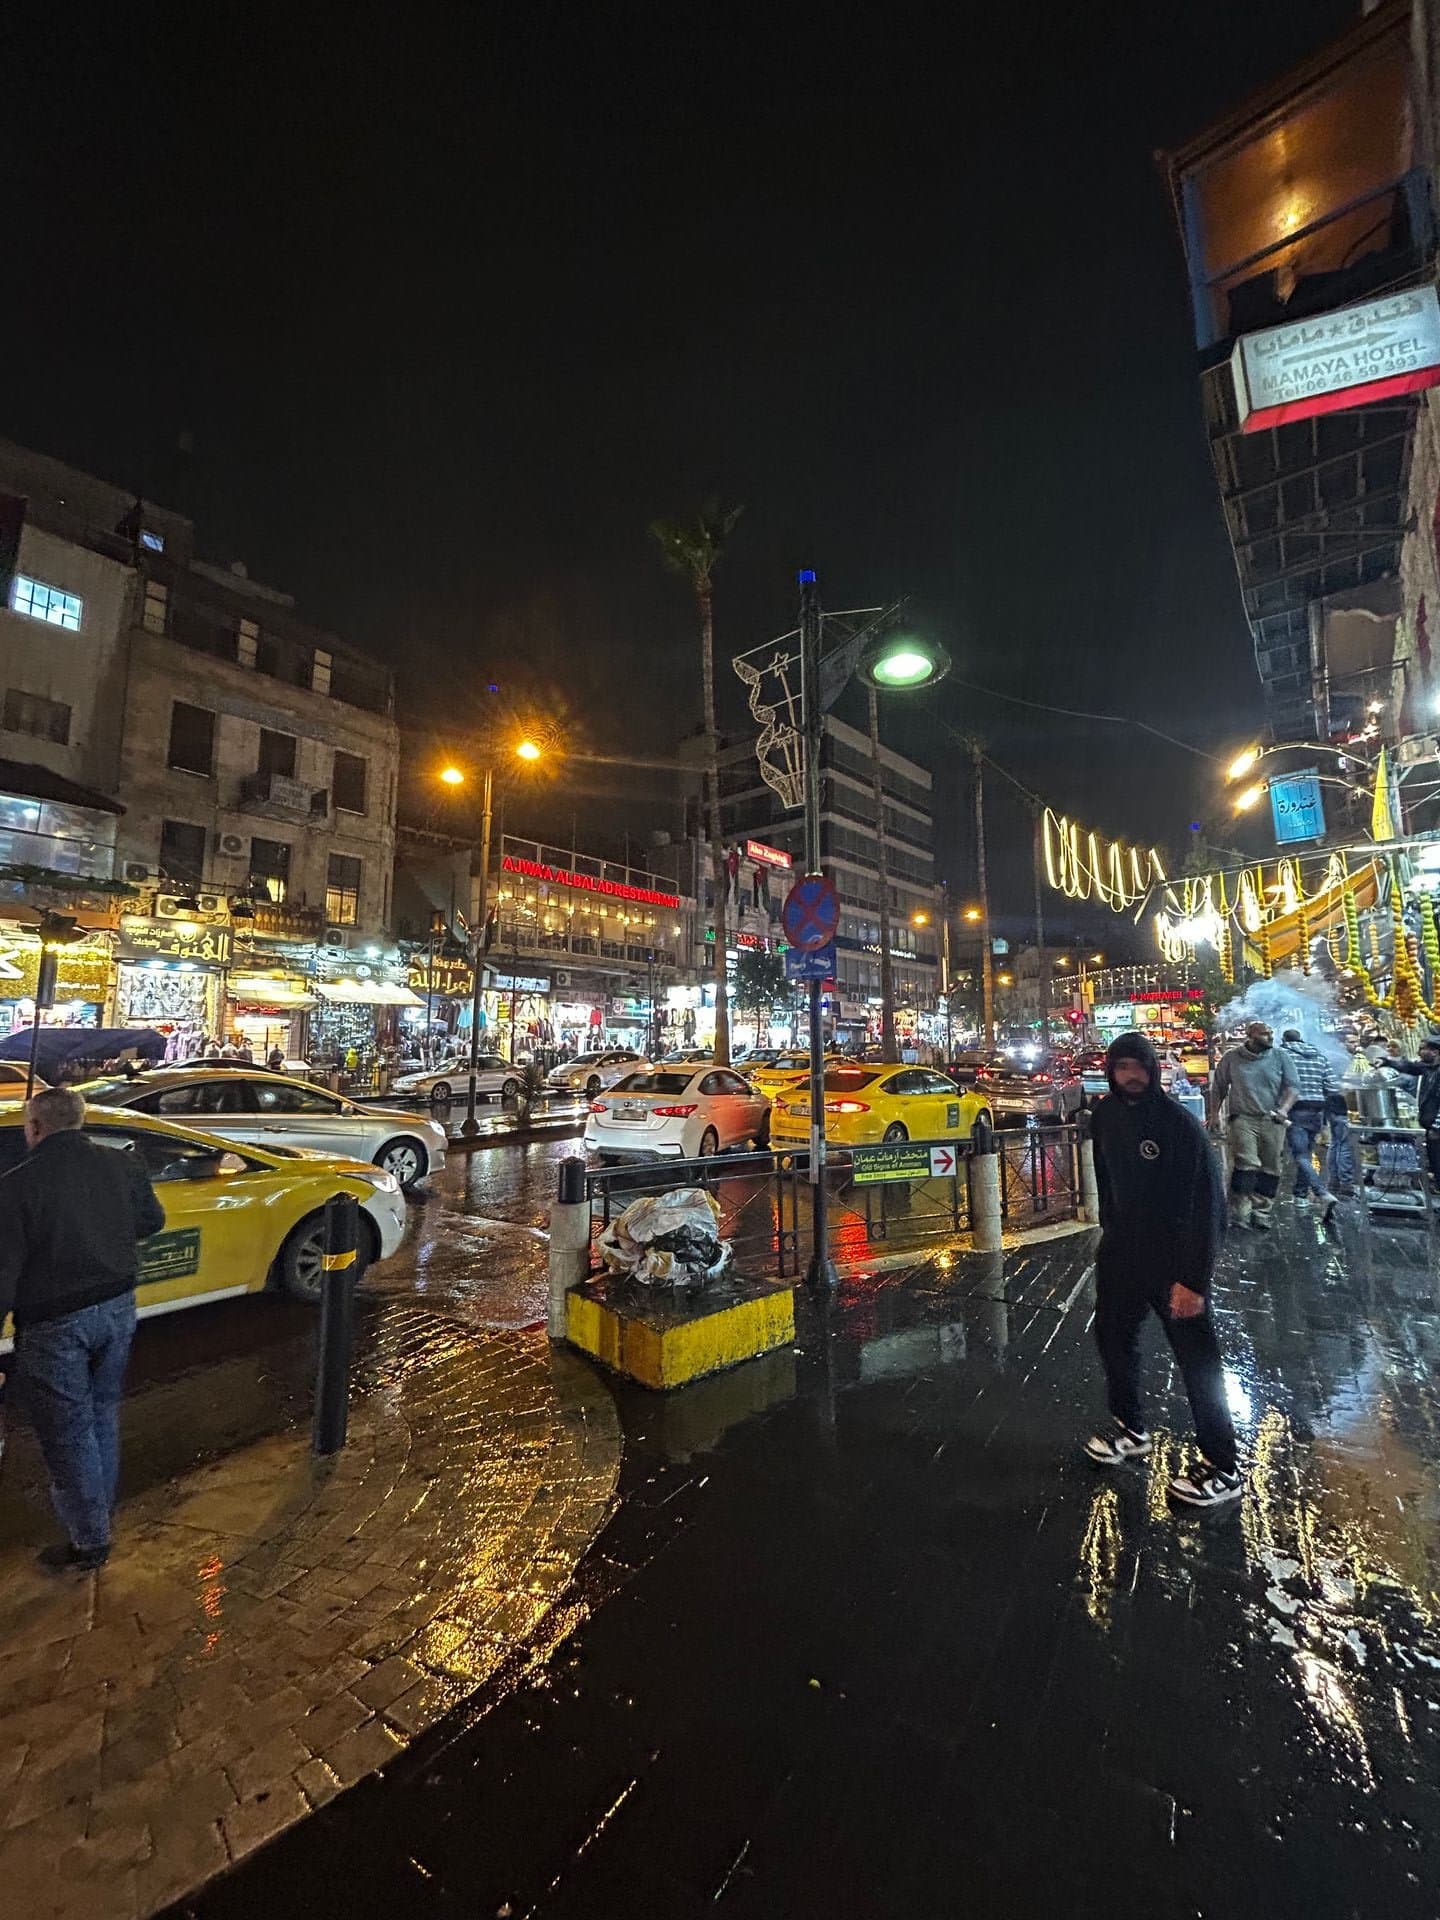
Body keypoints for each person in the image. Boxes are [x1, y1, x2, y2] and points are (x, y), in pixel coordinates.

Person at [0, 1088, 165, 1571]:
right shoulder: (122, 1165)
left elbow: (4, 1273)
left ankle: (90, 1540)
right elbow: (152, 1221)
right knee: (101, 1413)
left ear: (34, 1128)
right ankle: (98, 1512)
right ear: (81, 1121)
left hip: (54, 1323)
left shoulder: (15, 1186)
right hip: (117, 1307)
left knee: (68, 1430)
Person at [1085, 1032, 1241, 1507]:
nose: (1131, 1076)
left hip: (1174, 1263)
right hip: (1121, 1256)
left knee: (1197, 1361)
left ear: (1153, 1070)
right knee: (1112, 1337)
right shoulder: (1105, 1116)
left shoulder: (1179, 1126)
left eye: (1140, 1067)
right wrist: (1110, 1233)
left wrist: (1193, 1280)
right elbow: (1105, 1180)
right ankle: (1130, 1428)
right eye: (1122, 1068)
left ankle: (1224, 1466)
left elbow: (1208, 1207)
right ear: (1111, 1070)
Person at [1209, 1020, 1299, 1230]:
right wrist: (1214, 1114)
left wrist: (1284, 1109)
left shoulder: (1280, 1057)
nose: (1270, 1037)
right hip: (1242, 1117)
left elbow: (1293, 1087)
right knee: (1246, 1163)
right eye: (1264, 1034)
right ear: (1250, 1036)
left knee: (1271, 1167)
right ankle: (1239, 1209)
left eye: (1270, 1033)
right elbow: (1219, 1087)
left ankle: (1262, 1210)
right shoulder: (1232, 1058)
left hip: (1272, 1119)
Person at [1278, 1028, 1340, 1221]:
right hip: (1317, 1111)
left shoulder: (1282, 1055)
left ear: (1284, 1040)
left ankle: (1322, 1193)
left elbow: (1276, 1082)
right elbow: (1331, 1087)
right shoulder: (1319, 1057)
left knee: (1300, 1154)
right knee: (1306, 1152)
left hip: (1295, 1109)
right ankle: (1300, 1194)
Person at [1384, 1037, 1440, 1184]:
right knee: (1436, 1167)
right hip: (1431, 1127)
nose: (1419, 1052)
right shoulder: (1429, 1068)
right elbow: (1409, 1067)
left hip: (1437, 1129)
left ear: (1434, 1052)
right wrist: (1387, 1062)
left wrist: (1437, 1127)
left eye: (1423, 1049)